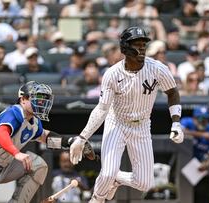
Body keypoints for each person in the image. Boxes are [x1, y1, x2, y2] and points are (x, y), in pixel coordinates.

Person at [68, 26, 184, 203]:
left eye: (144, 45)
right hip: (117, 123)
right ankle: (97, 199)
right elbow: (102, 108)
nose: (142, 48)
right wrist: (82, 138)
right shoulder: (112, 74)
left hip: (143, 125)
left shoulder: (157, 68)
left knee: (145, 183)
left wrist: (176, 122)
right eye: (137, 44)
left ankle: (117, 178)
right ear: (125, 48)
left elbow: (172, 92)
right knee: (106, 173)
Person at [0, 81, 97, 203]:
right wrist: (17, 153)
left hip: (4, 166)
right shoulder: (15, 112)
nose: (41, 103)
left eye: (43, 99)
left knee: (39, 165)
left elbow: (46, 137)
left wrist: (71, 141)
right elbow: (1, 133)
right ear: (23, 99)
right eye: (36, 99)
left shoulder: (34, 121)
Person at [180, 106, 209, 203]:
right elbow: (178, 132)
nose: (203, 121)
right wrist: (201, 134)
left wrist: (208, 162)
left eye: (205, 118)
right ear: (194, 118)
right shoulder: (187, 122)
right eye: (200, 118)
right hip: (187, 163)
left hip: (202, 163)